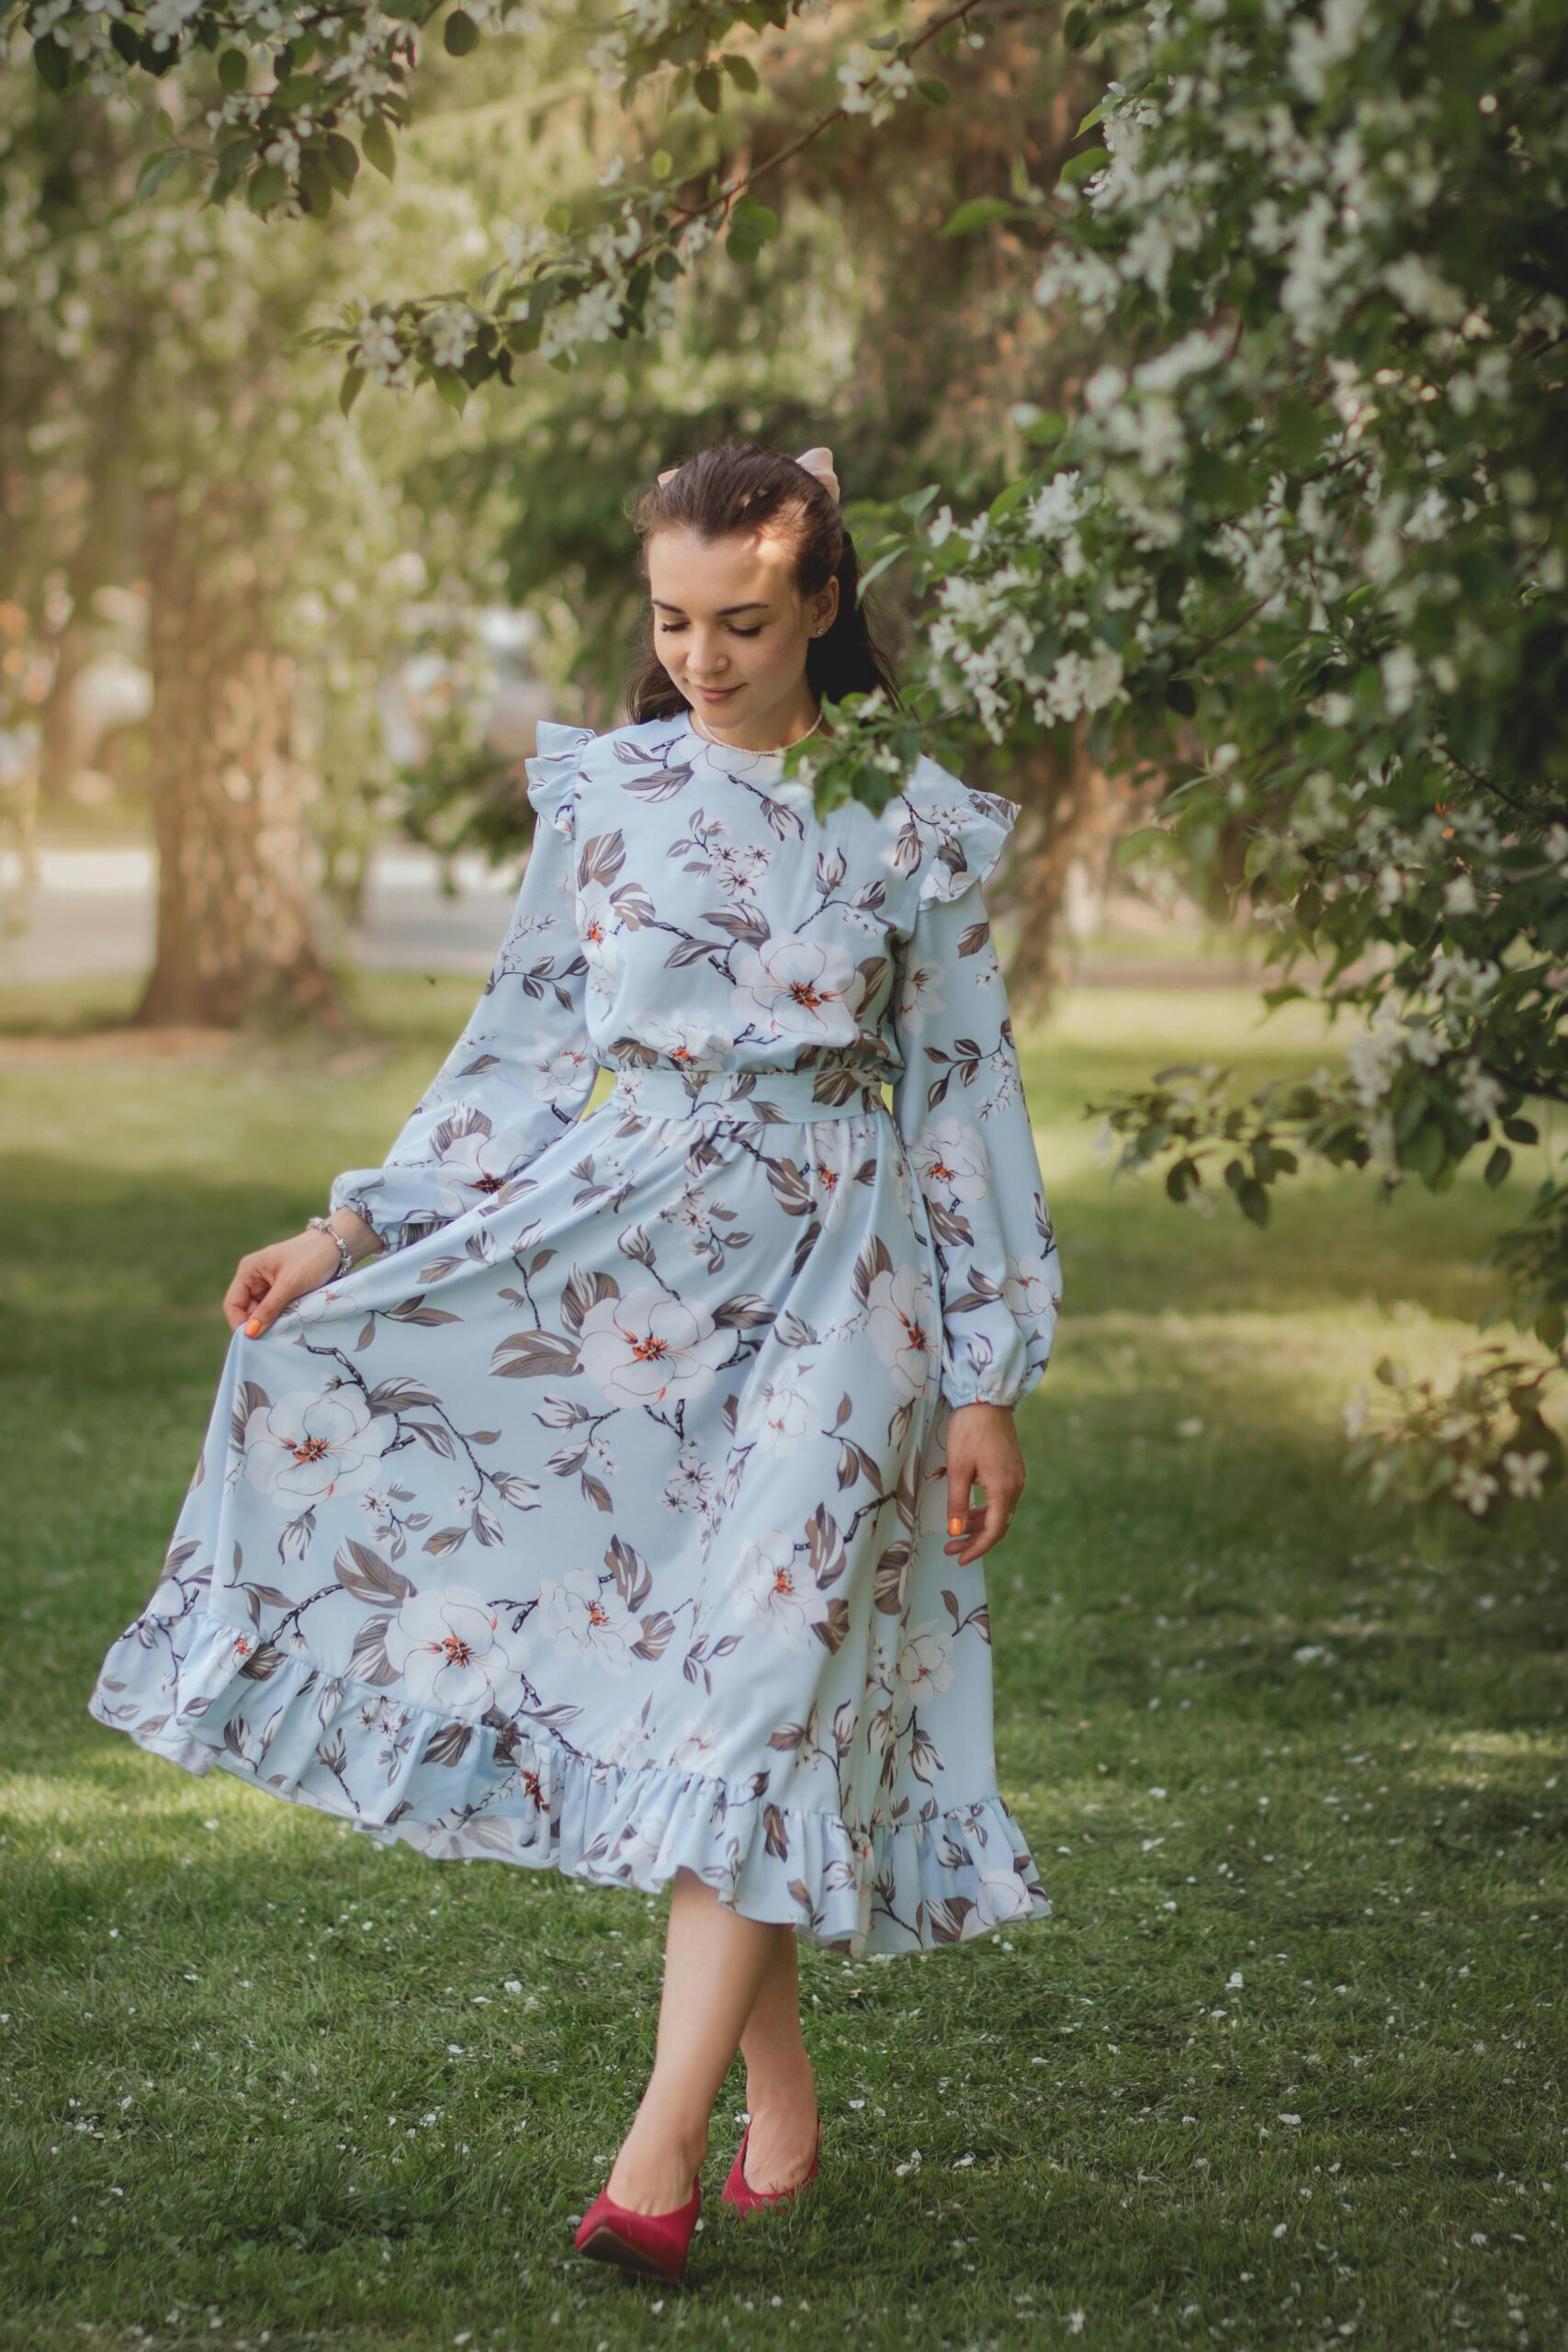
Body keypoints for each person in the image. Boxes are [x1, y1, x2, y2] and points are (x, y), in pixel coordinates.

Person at [85, 438, 1063, 2284]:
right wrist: (352, 1228)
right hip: (611, 1261)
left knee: (768, 1669)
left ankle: (651, 2153)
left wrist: (991, 1369)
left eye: (746, 621)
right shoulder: (605, 795)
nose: (703, 656)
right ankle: (774, 2105)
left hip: (840, 1290)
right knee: (705, 1691)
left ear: (825, 604)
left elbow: (963, 1100)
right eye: (674, 619)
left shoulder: (913, 825)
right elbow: (520, 1054)